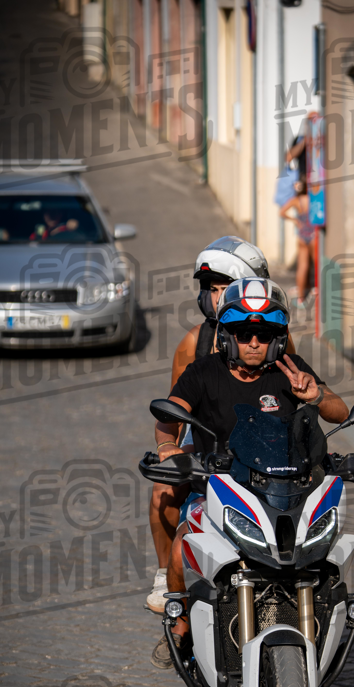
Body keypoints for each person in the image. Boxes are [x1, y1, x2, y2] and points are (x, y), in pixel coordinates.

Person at [150, 277, 349, 668]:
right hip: (220, 487)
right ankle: (183, 623)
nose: (254, 343)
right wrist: (167, 447)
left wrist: (317, 396)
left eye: (264, 335)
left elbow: (339, 412)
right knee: (179, 549)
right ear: (228, 336)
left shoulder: (290, 371)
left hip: (284, 489)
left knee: (325, 554)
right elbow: (169, 415)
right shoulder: (203, 372)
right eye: (244, 334)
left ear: (277, 338)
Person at [147, 236, 294, 612]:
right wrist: (170, 449)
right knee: (162, 490)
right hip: (210, 444)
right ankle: (167, 579)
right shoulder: (194, 343)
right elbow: (176, 413)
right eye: (209, 289)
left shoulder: (275, 337)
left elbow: (293, 394)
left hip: (264, 448)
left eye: (222, 288)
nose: (213, 298)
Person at [280, 174, 315, 309]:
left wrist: (295, 220)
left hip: (302, 236)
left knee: (302, 266)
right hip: (314, 234)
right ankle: (317, 290)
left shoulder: (296, 200)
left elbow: (282, 212)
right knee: (317, 264)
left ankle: (301, 299)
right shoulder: (313, 199)